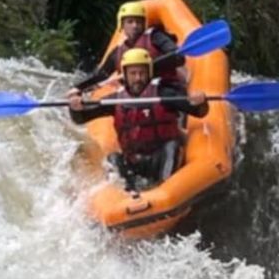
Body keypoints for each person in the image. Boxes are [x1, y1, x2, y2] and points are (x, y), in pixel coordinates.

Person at [67, 48, 208, 190]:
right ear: (125, 75)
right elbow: (81, 118)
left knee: (173, 146)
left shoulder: (164, 93)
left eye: (142, 73)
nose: (138, 78)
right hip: (133, 163)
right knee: (113, 158)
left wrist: (200, 102)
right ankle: (127, 196)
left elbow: (199, 112)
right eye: (133, 73)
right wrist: (75, 108)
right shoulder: (115, 100)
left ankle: (166, 189)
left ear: (149, 74)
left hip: (160, 159)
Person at [74, 1, 187, 92]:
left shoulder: (155, 37)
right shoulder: (118, 52)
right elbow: (101, 75)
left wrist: (146, 67)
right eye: (130, 22)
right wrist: (78, 88)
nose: (135, 26)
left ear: (144, 24)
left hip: (164, 89)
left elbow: (178, 57)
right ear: (122, 24)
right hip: (136, 95)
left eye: (138, 22)